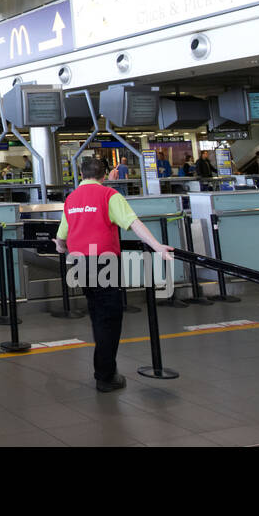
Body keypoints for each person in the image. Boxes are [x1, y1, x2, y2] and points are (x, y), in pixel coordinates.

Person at [55, 157, 172, 392]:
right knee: (109, 318)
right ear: (105, 174)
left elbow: (61, 237)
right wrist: (157, 246)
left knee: (98, 313)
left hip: (79, 262)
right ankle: (106, 376)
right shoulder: (109, 196)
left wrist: (59, 246)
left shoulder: (71, 198)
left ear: (81, 173)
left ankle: (104, 370)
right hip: (104, 262)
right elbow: (133, 222)